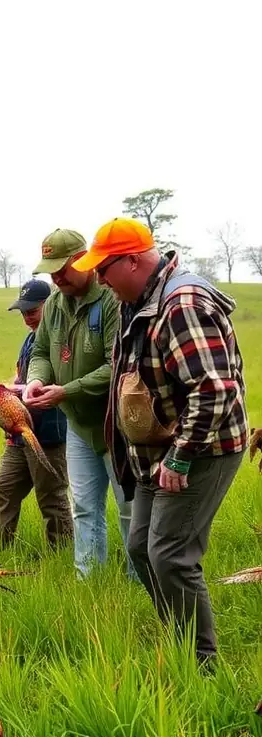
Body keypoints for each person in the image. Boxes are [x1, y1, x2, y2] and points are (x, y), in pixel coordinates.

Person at [73, 218, 248, 665]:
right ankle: (179, 633)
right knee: (139, 548)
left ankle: (201, 662)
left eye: (104, 270)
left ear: (133, 260)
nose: (100, 281)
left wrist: (182, 458)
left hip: (201, 450)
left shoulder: (181, 304)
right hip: (157, 453)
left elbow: (214, 390)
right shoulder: (139, 300)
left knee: (170, 555)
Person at [24, 228, 132, 578]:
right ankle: (89, 579)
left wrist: (65, 391)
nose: (56, 277)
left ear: (82, 260)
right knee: (84, 507)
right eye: (50, 269)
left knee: (130, 509)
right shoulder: (54, 303)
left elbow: (117, 366)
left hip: (117, 425)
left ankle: (139, 580)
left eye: (62, 268)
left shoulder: (112, 300)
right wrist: (37, 380)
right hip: (79, 426)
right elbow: (41, 351)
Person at [0, 279, 73, 547]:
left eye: (32, 311)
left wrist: (16, 390)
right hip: (18, 433)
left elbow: (60, 382)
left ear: (49, 306)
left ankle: (62, 556)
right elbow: (22, 376)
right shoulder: (30, 339)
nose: (27, 318)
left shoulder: (61, 339)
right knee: (4, 488)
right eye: (23, 312)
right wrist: (8, 387)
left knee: (51, 497)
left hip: (48, 433)